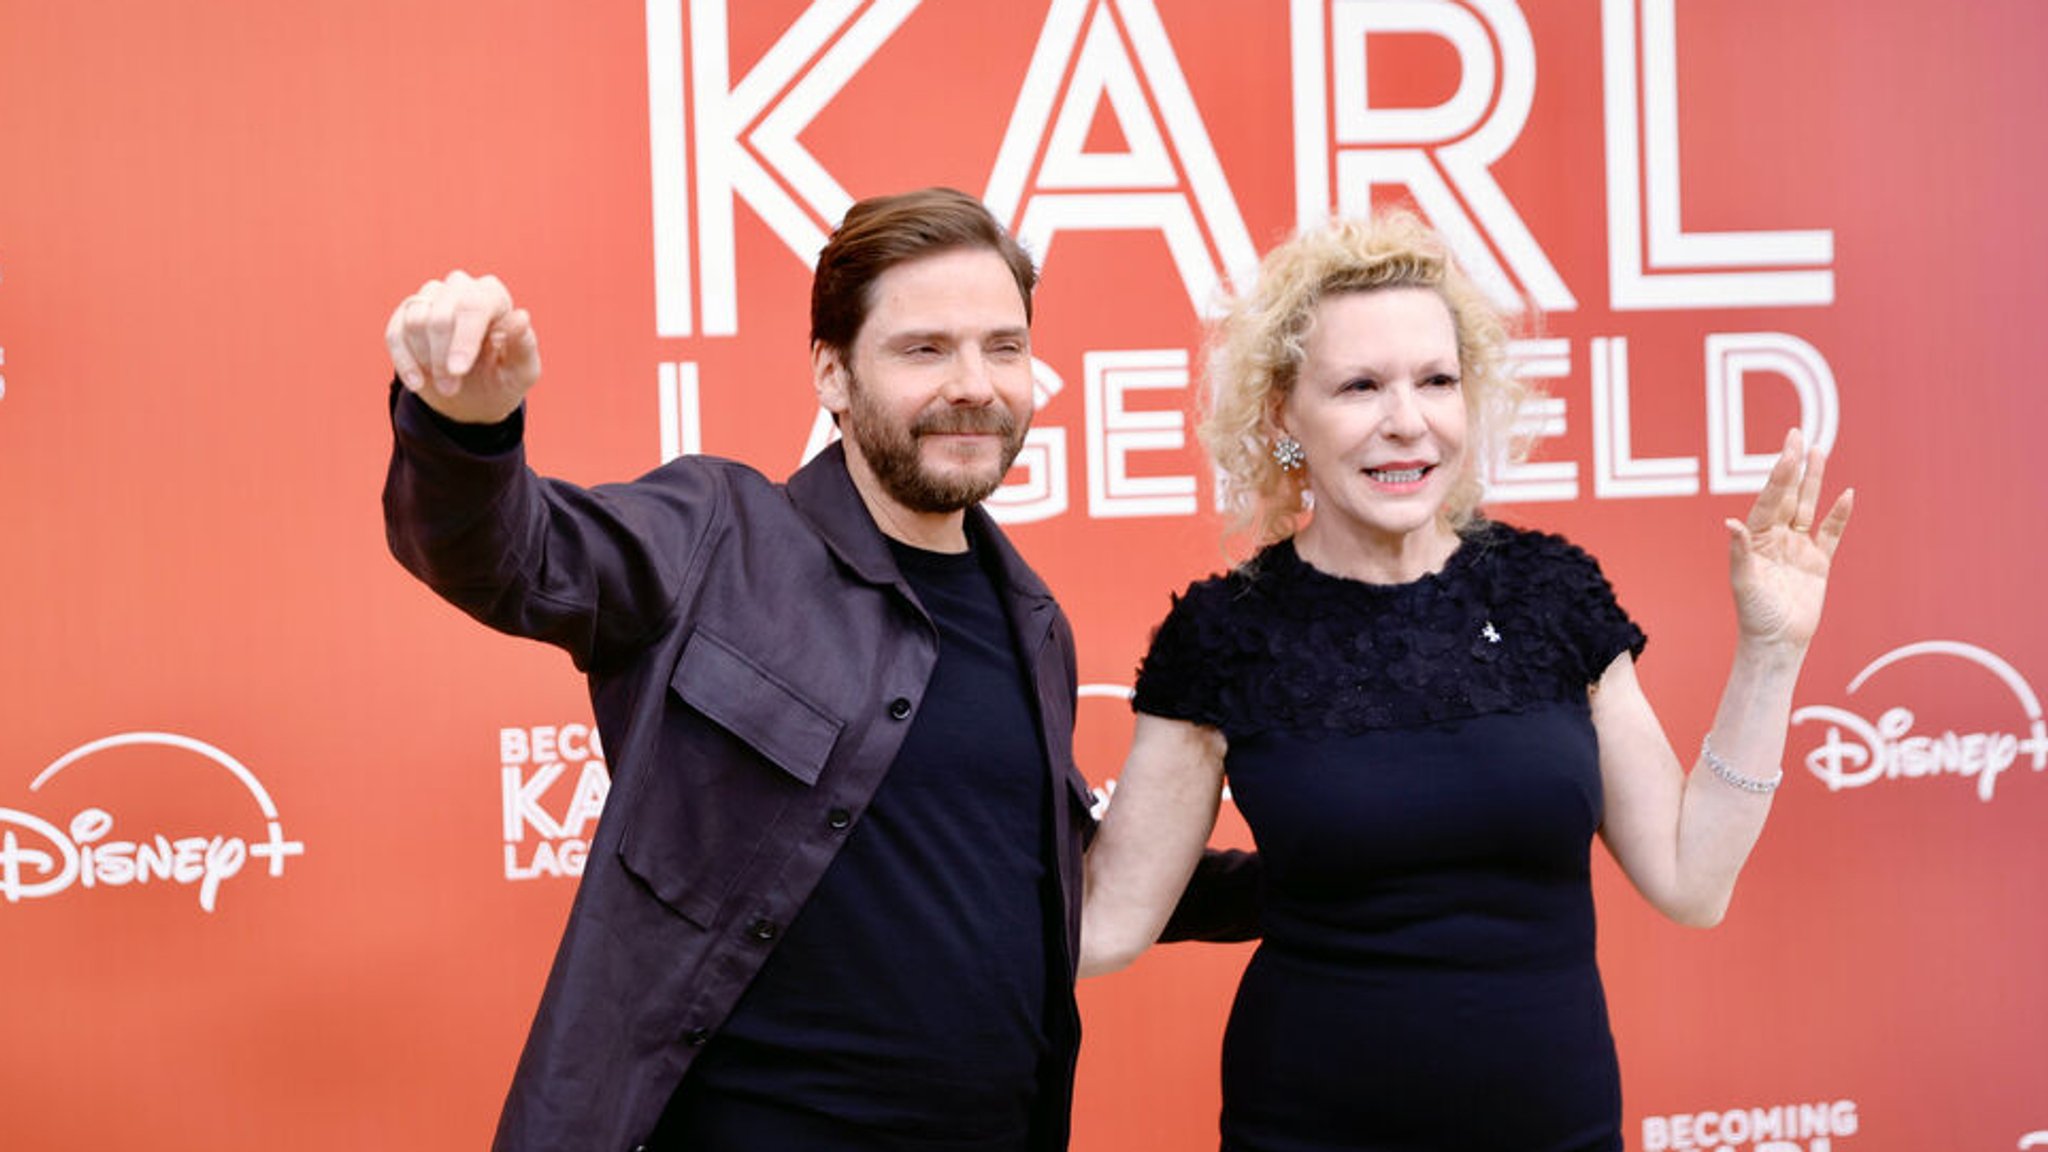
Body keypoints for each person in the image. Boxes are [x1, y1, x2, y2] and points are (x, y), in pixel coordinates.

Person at [382, 187, 1254, 1152]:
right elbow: (510, 558)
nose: (975, 384)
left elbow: (1052, 878)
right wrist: (465, 432)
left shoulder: (1031, 619)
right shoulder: (715, 535)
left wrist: (1359, 869)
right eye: (925, 349)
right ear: (832, 374)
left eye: (1003, 347)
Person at [1076, 212, 1854, 1151]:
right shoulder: (1225, 634)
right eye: (1359, 385)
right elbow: (1108, 925)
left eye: (1436, 381)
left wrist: (1772, 652)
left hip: (1556, 1131)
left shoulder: (1552, 594)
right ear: (1284, 413)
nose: (1407, 420)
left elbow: (1693, 881)